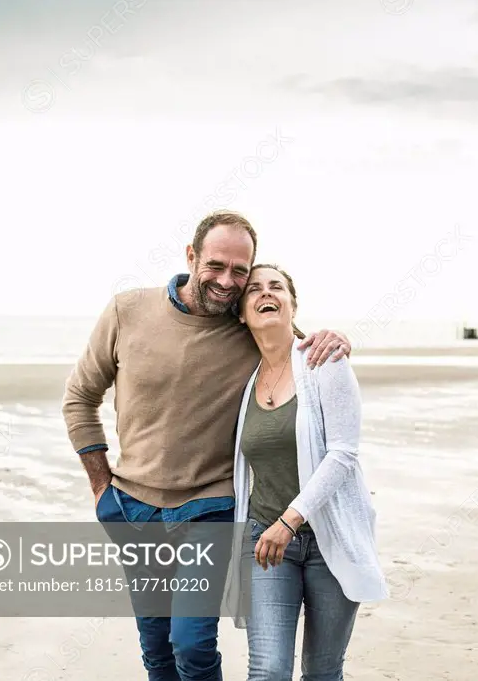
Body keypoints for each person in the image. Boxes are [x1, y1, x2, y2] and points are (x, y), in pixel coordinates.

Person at [62, 210, 351, 681]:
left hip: (210, 507)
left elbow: (296, 340)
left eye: (241, 270)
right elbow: (79, 397)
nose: (227, 280)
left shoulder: (244, 325)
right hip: (133, 507)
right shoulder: (126, 310)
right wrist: (101, 489)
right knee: (156, 648)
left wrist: (332, 337)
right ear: (191, 256)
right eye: (216, 265)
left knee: (191, 644)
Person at [223, 263, 388, 681]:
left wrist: (290, 520)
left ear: (293, 305)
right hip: (266, 541)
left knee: (322, 670)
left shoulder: (323, 361)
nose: (267, 293)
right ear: (242, 313)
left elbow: (343, 454)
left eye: (276, 287)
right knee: (269, 670)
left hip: (330, 536)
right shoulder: (243, 378)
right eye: (255, 289)